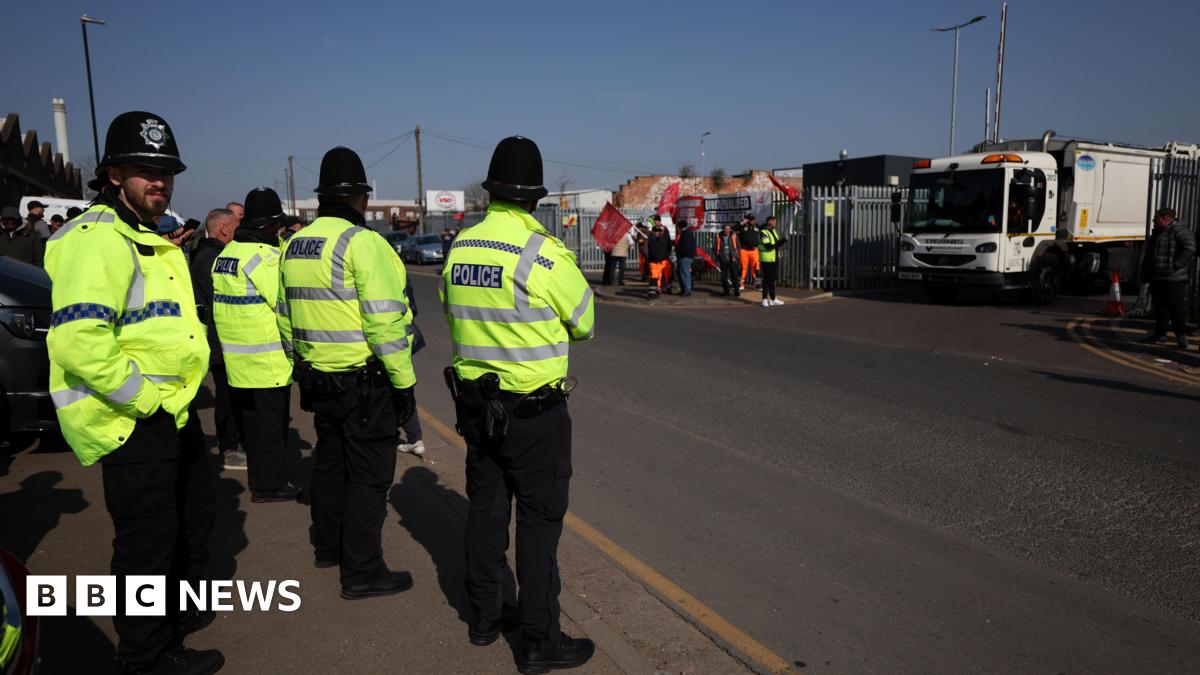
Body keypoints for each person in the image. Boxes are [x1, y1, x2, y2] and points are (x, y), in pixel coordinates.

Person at [44, 111, 222, 674]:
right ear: (115, 173)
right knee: (145, 543)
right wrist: (145, 399)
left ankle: (168, 625)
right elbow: (79, 342)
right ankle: (146, 657)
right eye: (147, 170)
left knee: (182, 526)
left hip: (170, 412)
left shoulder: (139, 235)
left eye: (166, 171)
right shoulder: (98, 240)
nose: (160, 181)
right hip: (133, 418)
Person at [442, 135, 595, 673]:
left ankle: (484, 617)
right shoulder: (542, 254)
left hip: (479, 410)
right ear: (534, 197)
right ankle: (538, 639)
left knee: (484, 512)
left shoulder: (460, 247)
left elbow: (451, 311)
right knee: (538, 523)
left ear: (492, 193)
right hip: (534, 415)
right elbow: (585, 322)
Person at [278, 146, 417, 598]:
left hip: (318, 379)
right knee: (370, 477)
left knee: (331, 464)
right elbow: (385, 324)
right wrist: (404, 386)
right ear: (360, 197)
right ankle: (362, 571)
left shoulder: (294, 244)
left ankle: (328, 547)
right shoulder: (362, 243)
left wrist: (302, 362)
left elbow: (284, 315)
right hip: (363, 384)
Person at [212, 187, 301, 502]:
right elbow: (284, 306)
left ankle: (260, 481)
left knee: (253, 427)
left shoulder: (228, 254)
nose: (279, 232)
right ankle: (270, 485)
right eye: (277, 226)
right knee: (271, 429)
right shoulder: (263, 258)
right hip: (268, 360)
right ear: (267, 226)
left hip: (238, 360)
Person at [190, 208, 247, 470]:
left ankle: (233, 444)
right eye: (237, 224)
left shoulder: (207, 253)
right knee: (227, 396)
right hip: (217, 338)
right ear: (224, 228)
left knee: (231, 395)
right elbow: (220, 298)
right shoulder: (211, 257)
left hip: (220, 337)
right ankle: (229, 449)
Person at [1140, 208, 1195, 348]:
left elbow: (1189, 248)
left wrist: (1176, 265)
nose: (1153, 221)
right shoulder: (1158, 233)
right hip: (1157, 277)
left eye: (1156, 219)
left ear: (1165, 218)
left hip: (1174, 278)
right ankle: (1160, 335)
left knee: (1176, 308)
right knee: (1160, 308)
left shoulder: (1180, 230)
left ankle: (1181, 338)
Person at [397, 278, 425, 456]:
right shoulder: (395, 262)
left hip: (380, 341)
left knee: (389, 390)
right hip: (403, 338)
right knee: (403, 387)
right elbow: (412, 306)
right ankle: (415, 439)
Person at [758, 216, 787, 307]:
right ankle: (764, 299)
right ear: (770, 222)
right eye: (774, 221)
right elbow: (768, 246)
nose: (776, 223)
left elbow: (776, 244)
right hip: (767, 259)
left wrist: (783, 241)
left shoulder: (773, 231)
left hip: (774, 258)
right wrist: (782, 241)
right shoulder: (763, 232)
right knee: (766, 280)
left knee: (772, 280)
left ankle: (773, 299)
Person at [645, 223, 672, 298]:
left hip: (659, 260)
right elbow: (653, 251)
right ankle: (652, 293)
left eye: (659, 231)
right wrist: (657, 258)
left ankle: (654, 292)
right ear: (653, 231)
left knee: (658, 277)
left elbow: (663, 248)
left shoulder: (657, 239)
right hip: (655, 261)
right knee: (654, 278)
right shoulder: (652, 239)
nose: (658, 232)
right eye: (656, 231)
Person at [715, 223, 741, 297]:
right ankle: (726, 292)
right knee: (724, 277)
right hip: (723, 259)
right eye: (726, 229)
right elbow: (715, 247)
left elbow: (738, 247)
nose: (728, 230)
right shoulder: (719, 236)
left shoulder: (734, 235)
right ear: (723, 229)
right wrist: (719, 256)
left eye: (729, 229)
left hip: (732, 259)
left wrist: (735, 257)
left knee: (734, 276)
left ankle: (737, 291)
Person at [737, 213, 761, 290]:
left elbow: (764, 229)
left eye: (753, 219)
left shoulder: (757, 226)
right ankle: (740, 284)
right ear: (747, 220)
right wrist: (742, 222)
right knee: (743, 267)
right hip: (744, 250)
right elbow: (733, 228)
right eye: (751, 219)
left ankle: (757, 284)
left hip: (754, 250)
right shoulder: (742, 226)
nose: (753, 220)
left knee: (756, 267)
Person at [674, 218, 697, 297]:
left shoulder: (685, 234)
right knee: (681, 273)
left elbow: (685, 247)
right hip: (684, 256)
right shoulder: (686, 233)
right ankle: (684, 289)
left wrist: (681, 253)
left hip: (685, 257)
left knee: (684, 274)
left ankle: (687, 290)